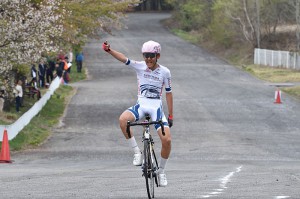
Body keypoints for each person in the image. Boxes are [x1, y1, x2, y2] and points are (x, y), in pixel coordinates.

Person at [102, 40, 173, 187]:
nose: (148, 59)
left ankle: (161, 171)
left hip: (156, 108)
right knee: (123, 120)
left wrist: (171, 115)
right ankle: (137, 152)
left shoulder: (165, 72)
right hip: (141, 105)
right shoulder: (140, 66)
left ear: (157, 55)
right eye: (146, 55)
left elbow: (168, 94)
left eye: (151, 56)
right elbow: (124, 58)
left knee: (167, 141)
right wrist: (110, 51)